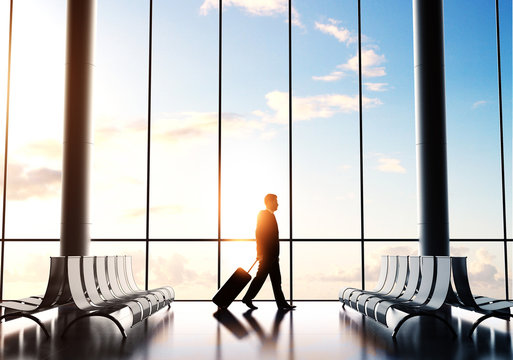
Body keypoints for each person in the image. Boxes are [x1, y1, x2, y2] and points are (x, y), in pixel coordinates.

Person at [242, 194, 296, 310]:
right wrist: (260, 253)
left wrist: (276, 255)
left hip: (273, 256)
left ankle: (281, 303)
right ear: (269, 202)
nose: (277, 204)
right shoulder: (263, 214)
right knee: (260, 278)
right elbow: (259, 234)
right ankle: (247, 298)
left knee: (276, 281)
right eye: (275, 201)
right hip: (266, 255)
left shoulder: (271, 216)